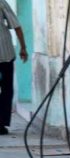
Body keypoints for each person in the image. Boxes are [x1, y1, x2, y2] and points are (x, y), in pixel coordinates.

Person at [0, 0, 27, 135]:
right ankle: (1, 123)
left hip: (5, 53)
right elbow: (16, 25)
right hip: (4, 53)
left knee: (6, 89)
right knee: (6, 89)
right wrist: (23, 47)